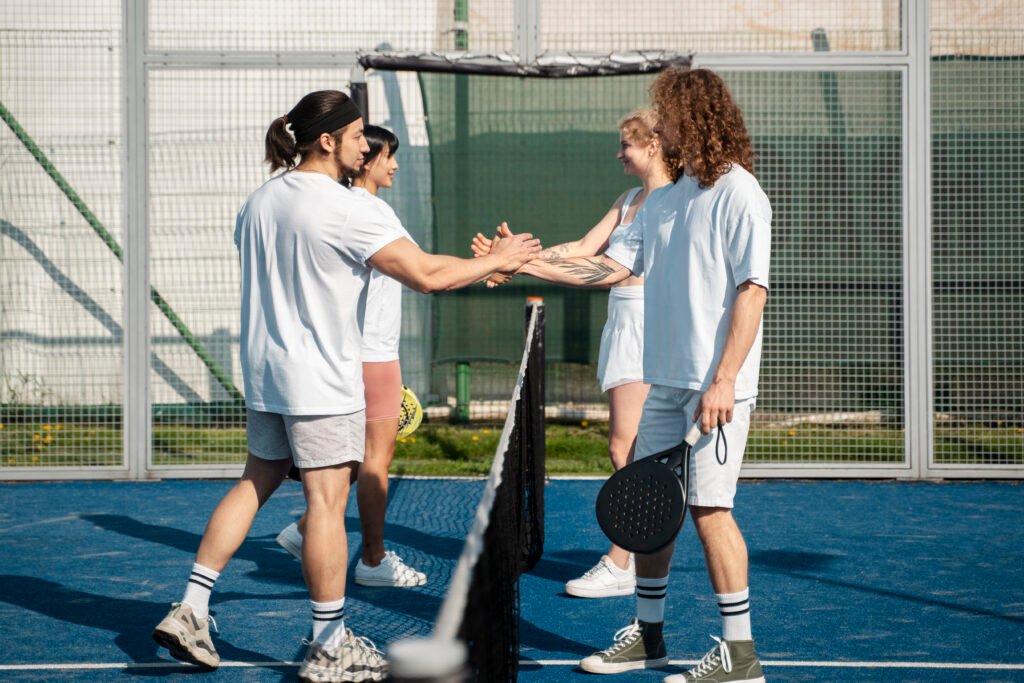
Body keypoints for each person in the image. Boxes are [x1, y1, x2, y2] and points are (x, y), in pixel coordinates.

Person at [150, 90, 540, 683]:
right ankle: (330, 644)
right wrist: (499, 258)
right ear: (328, 140)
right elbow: (427, 276)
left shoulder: (257, 203)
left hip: (265, 377)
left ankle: (192, 608)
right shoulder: (343, 208)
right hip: (321, 381)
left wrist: (489, 264)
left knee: (256, 482)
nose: (367, 145)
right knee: (326, 505)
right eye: (359, 135)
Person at [500, 68, 771, 682]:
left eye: (668, 113)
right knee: (650, 508)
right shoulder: (663, 200)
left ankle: (741, 657)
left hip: (716, 389)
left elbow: (752, 293)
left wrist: (724, 380)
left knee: (709, 512)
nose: (660, 124)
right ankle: (650, 639)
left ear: (695, 117)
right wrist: (524, 262)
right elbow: (608, 269)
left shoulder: (740, 193)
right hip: (665, 382)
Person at [473, 109, 674, 599]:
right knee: (628, 448)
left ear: (651, 146)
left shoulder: (669, 202)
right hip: (623, 325)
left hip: (651, 327)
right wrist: (514, 259)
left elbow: (608, 269)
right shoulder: (629, 199)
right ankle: (633, 552)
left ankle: (623, 559)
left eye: (626, 143)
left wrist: (518, 264)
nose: (618, 152)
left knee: (626, 449)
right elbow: (585, 247)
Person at [275, 125, 427, 588]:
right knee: (375, 462)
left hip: (356, 352)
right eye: (387, 157)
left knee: (355, 459)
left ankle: (306, 529)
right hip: (372, 354)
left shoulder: (338, 206)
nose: (393, 165)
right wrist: (492, 265)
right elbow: (423, 270)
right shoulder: (368, 210)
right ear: (366, 162)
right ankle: (374, 560)